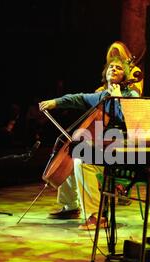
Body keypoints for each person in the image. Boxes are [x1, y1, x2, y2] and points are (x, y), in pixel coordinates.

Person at [39, 57, 139, 230]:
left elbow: (131, 122)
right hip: (105, 152)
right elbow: (77, 98)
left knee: (81, 160)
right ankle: (70, 206)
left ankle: (96, 215)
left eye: (118, 68)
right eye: (110, 67)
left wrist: (117, 98)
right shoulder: (101, 96)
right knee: (73, 153)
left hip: (123, 154)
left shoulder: (132, 95)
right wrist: (55, 102)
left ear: (125, 76)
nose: (113, 69)